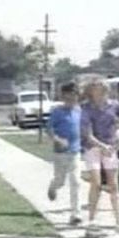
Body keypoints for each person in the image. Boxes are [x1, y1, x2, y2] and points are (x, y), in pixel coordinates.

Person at [80, 77, 119, 235]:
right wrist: (102, 146)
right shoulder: (86, 108)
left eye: (102, 89)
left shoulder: (114, 105)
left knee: (114, 185)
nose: (99, 92)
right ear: (90, 91)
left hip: (111, 147)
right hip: (94, 147)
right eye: (95, 89)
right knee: (97, 183)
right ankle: (92, 220)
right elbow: (88, 134)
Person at [46, 82, 82, 226]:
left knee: (76, 182)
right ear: (63, 96)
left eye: (74, 95)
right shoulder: (57, 112)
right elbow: (49, 129)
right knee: (61, 180)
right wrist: (57, 139)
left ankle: (75, 214)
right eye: (67, 95)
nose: (71, 98)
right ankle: (53, 187)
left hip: (75, 151)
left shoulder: (79, 111)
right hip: (60, 152)